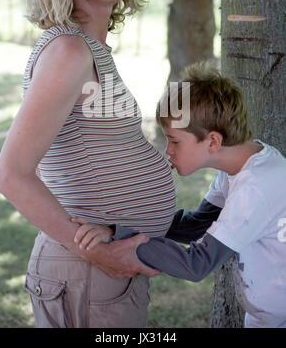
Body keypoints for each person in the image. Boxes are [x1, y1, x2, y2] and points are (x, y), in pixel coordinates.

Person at [0, 0, 176, 328]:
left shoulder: (86, 47)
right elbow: (11, 175)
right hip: (86, 269)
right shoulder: (70, 52)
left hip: (100, 269)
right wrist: (100, 252)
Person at [74, 63, 286, 328]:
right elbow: (194, 226)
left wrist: (131, 241)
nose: (168, 151)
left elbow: (196, 265)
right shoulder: (241, 166)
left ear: (213, 142)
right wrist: (117, 228)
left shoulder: (256, 187)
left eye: (174, 141)